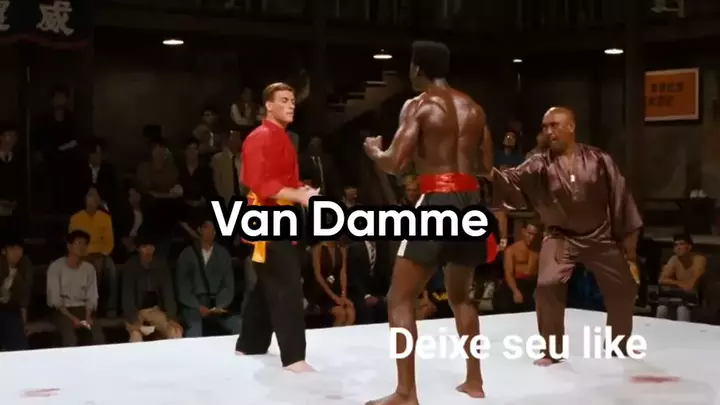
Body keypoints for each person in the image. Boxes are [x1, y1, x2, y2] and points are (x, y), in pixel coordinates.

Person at [363, 40, 495, 404]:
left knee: (399, 298)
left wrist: (374, 152)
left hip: (437, 199)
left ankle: (406, 393)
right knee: (461, 296)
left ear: (418, 68)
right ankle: (475, 381)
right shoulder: (474, 109)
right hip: (471, 202)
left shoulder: (419, 105)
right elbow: (486, 166)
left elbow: (396, 163)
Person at [488, 106, 643, 366]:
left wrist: (629, 249)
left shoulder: (599, 159)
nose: (548, 131)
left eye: (554, 125)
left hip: (600, 234)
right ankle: (551, 349)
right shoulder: (539, 162)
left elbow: (620, 197)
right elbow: (511, 180)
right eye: (544, 127)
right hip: (560, 236)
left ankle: (618, 343)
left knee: (623, 287)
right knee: (547, 286)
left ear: (571, 127)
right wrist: (490, 174)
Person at [235, 82, 318, 373]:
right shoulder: (260, 136)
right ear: (268, 106)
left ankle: (249, 343)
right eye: (284, 100)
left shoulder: (282, 136)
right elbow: (259, 181)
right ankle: (294, 357)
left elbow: (285, 180)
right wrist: (298, 195)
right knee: (286, 285)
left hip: (282, 216)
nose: (291, 105)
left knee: (268, 281)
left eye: (292, 100)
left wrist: (302, 189)